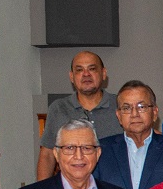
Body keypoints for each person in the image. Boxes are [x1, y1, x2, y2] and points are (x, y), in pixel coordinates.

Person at [37, 51, 121, 180]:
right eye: (79, 70)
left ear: (103, 73)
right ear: (71, 77)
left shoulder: (120, 106)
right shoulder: (59, 108)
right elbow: (47, 155)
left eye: (92, 69)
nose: (86, 74)